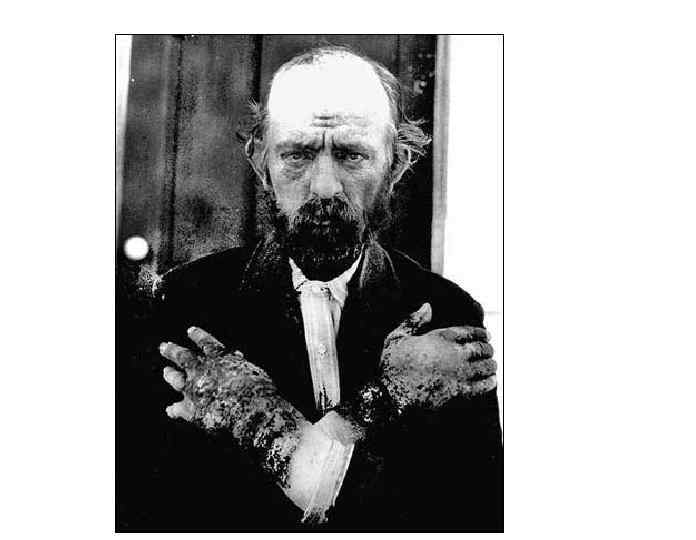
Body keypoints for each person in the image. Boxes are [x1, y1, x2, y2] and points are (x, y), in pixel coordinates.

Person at [148, 45, 502, 531]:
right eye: (297, 154)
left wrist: (260, 421)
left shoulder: (445, 312)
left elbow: (471, 516)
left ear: (397, 164)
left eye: (352, 155)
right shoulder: (183, 304)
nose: (325, 187)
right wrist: (389, 396)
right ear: (261, 162)